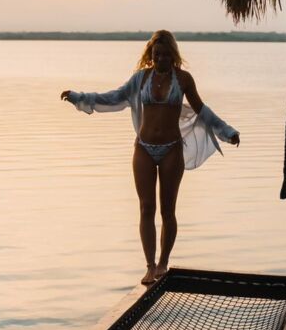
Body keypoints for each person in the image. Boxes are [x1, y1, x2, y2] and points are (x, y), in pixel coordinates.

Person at [60, 30, 239, 285]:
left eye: (166, 55)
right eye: (157, 55)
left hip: (171, 149)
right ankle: (149, 265)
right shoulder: (140, 79)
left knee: (168, 210)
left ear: (174, 55)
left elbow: (202, 110)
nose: (161, 59)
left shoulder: (184, 79)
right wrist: (79, 97)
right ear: (150, 55)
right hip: (143, 147)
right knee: (146, 208)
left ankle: (164, 262)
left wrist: (227, 132)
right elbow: (114, 97)